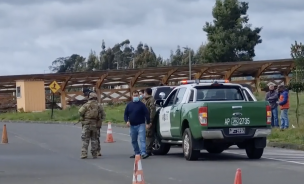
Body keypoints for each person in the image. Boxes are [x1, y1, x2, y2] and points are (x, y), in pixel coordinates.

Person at [124, 90, 151, 159]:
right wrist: (127, 121)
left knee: (142, 139)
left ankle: (143, 153)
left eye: (137, 95)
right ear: (132, 96)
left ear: (138, 96)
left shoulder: (142, 105)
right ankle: (137, 152)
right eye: (134, 95)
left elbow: (146, 114)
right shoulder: (129, 105)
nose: (135, 97)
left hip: (141, 124)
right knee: (134, 140)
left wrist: (148, 122)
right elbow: (126, 114)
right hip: (132, 125)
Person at [78, 92, 101, 159]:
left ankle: (84, 153)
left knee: (85, 139)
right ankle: (94, 153)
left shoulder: (86, 105)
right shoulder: (99, 105)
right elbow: (103, 115)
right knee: (94, 139)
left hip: (87, 124)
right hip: (95, 125)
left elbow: (80, 112)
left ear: (89, 97)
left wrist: (83, 118)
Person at [141, 88, 156, 156]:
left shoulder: (151, 100)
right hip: (143, 119)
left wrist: (150, 121)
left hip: (148, 119)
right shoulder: (145, 100)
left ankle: (148, 150)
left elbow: (152, 110)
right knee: (145, 135)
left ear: (146, 92)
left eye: (144, 92)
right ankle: (144, 149)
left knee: (149, 134)